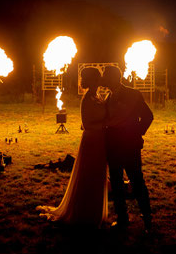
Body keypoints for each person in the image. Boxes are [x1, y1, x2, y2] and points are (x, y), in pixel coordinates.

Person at [36, 67, 108, 227]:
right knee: (88, 176)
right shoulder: (87, 99)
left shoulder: (98, 96)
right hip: (92, 141)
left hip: (101, 141)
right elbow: (86, 124)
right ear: (93, 80)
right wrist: (106, 125)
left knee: (97, 176)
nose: (100, 81)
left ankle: (93, 213)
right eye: (98, 78)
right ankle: (84, 213)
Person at [102, 65, 153, 232]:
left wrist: (135, 133)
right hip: (113, 147)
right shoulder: (108, 96)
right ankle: (122, 219)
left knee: (137, 182)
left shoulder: (133, 94)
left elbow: (148, 116)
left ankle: (147, 219)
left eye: (106, 77)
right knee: (116, 184)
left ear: (115, 77)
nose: (104, 80)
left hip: (130, 146)